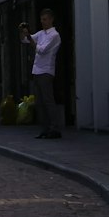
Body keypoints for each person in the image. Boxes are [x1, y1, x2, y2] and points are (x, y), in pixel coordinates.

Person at [20, 9, 63, 139]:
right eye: (41, 19)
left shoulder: (54, 35)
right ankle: (45, 128)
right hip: (37, 70)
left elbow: (42, 51)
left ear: (51, 19)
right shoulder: (41, 33)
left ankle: (54, 128)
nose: (43, 22)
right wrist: (23, 32)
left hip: (46, 70)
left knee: (48, 100)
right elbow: (25, 41)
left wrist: (30, 38)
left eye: (45, 19)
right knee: (39, 102)